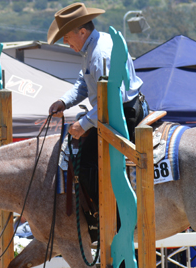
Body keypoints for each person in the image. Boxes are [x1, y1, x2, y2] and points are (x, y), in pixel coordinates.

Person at [47, 3, 148, 218]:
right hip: (113, 110)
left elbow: (114, 98)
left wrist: (83, 124)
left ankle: (110, 218)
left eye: (66, 36)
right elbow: (84, 83)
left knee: (86, 164)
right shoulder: (94, 47)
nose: (65, 42)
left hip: (122, 112)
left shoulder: (100, 53)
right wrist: (64, 102)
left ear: (82, 32)